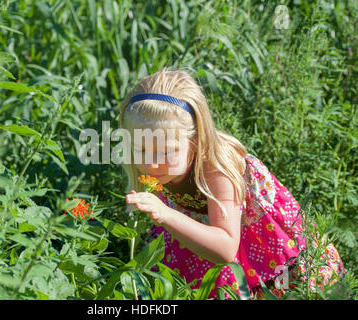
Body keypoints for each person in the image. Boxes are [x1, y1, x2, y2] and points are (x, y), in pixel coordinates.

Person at [120, 68, 345, 299]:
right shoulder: (161, 168)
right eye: (140, 148)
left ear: (195, 141)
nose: (150, 164)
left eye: (166, 152)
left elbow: (226, 248)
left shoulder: (216, 167)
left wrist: (165, 214)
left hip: (261, 247)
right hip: (198, 235)